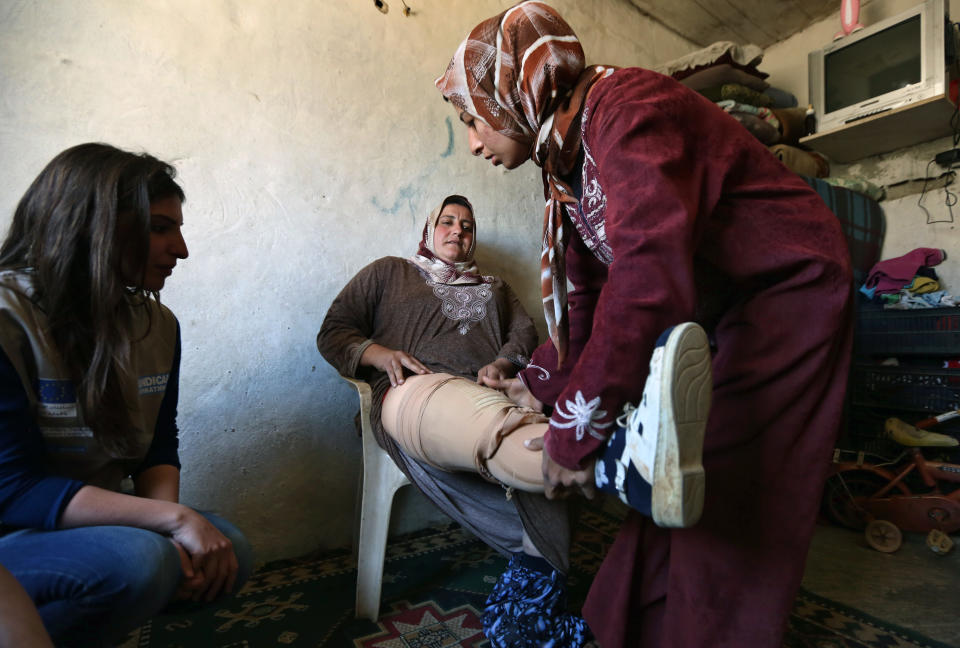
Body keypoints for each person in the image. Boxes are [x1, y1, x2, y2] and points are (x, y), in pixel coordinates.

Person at [435, 3, 854, 647]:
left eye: (472, 118)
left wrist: (574, 432)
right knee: (674, 482)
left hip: (790, 287)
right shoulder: (564, 164)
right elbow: (586, 297)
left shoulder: (627, 109)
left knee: (733, 486)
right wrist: (542, 381)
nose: (473, 141)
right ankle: (622, 630)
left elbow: (649, 278)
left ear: (515, 90)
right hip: (726, 302)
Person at [0, 143, 253, 645]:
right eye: (160, 228)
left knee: (230, 551)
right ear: (90, 224)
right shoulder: (9, 320)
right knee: (142, 561)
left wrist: (172, 533)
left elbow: (157, 446)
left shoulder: (158, 326)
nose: (181, 249)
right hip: (12, 533)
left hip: (85, 526)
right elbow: (12, 489)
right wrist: (171, 522)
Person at [317, 195, 594, 647]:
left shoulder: (496, 287)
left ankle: (538, 568)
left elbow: (524, 334)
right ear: (429, 230)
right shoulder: (390, 271)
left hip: (486, 398)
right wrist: (382, 355)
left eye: (467, 226)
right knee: (529, 441)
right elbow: (334, 331)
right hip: (413, 392)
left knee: (536, 442)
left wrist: (504, 364)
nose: (457, 232)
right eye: (447, 222)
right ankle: (604, 459)